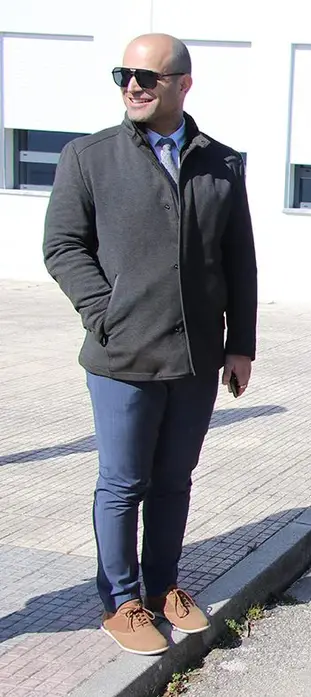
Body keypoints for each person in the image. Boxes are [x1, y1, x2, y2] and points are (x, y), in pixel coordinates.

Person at [42, 33, 256, 656]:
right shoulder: (88, 157)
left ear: (183, 84)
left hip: (194, 357)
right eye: (123, 74)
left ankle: (163, 586)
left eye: (147, 76)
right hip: (121, 356)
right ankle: (121, 599)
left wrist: (239, 343)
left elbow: (238, 259)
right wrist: (104, 312)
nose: (132, 85)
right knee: (123, 481)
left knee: (175, 479)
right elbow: (63, 246)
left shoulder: (221, 161)